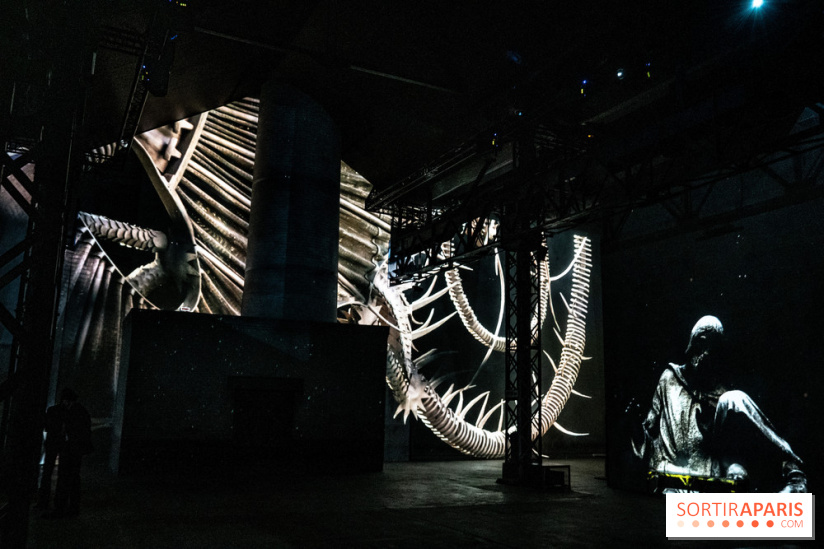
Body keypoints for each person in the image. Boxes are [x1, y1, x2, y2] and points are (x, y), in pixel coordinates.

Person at [631, 315, 806, 493]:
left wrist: (731, 461)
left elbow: (729, 451)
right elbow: (648, 439)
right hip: (672, 477)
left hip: (711, 474)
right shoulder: (668, 379)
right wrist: (634, 426)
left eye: (713, 351)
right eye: (703, 346)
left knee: (734, 399)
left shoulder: (719, 394)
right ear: (695, 344)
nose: (707, 355)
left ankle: (793, 472)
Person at [43, 388, 93, 518]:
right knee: (73, 479)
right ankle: (72, 509)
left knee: (64, 479)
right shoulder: (80, 412)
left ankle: (60, 508)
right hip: (74, 451)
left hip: (70, 450)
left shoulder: (70, 412)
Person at [37, 398, 67, 509]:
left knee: (46, 473)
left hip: (51, 443)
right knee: (62, 474)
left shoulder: (52, 410)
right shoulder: (68, 412)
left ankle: (43, 501)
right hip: (62, 444)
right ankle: (59, 503)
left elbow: (46, 426)